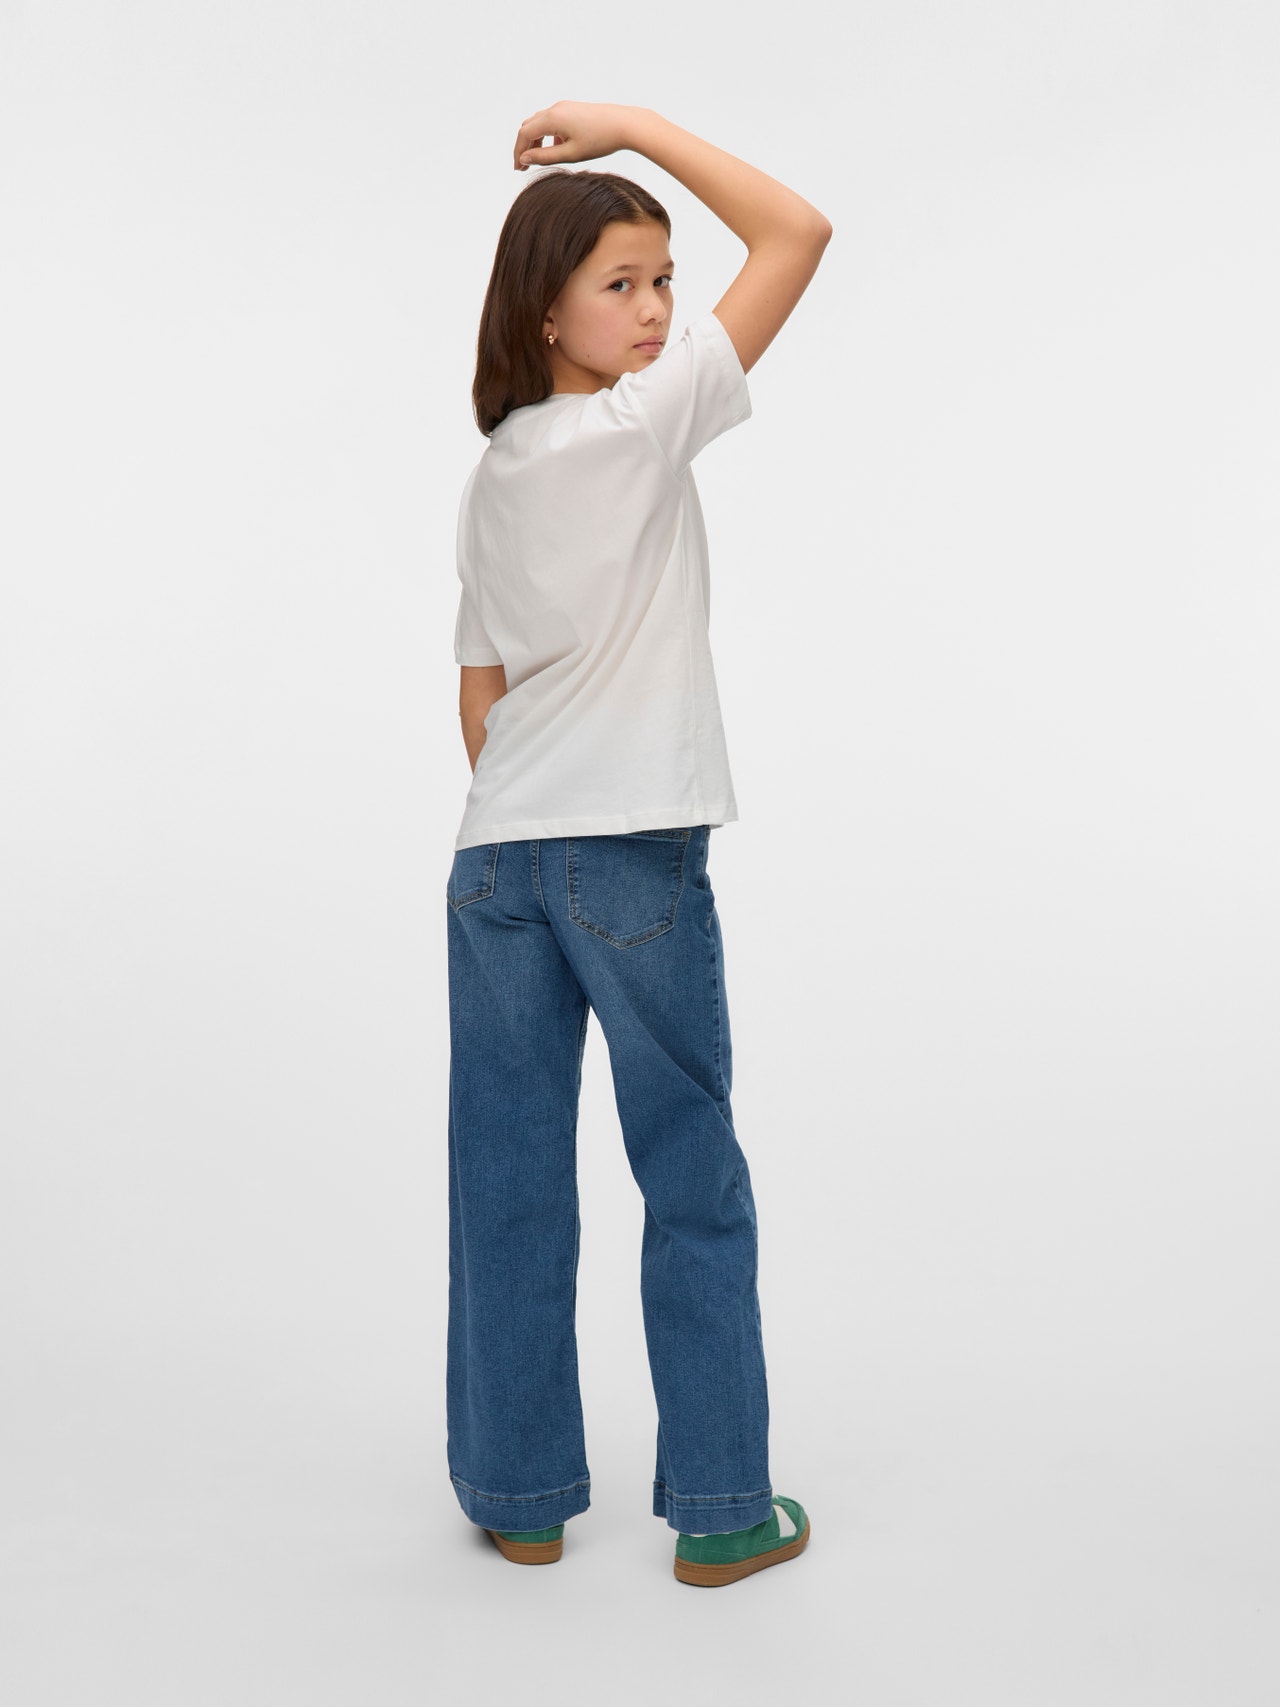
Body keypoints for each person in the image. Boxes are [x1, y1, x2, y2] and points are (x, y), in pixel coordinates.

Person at [446, 101, 831, 1587]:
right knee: (688, 1168)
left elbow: (479, 697)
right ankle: (724, 1510)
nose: (661, 308)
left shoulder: (496, 471)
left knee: (509, 1178)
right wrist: (632, 128)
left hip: (497, 861)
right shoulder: (641, 424)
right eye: (623, 283)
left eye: (666, 279)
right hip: (628, 857)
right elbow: (798, 232)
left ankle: (521, 1492)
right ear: (547, 309)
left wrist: (535, 808)